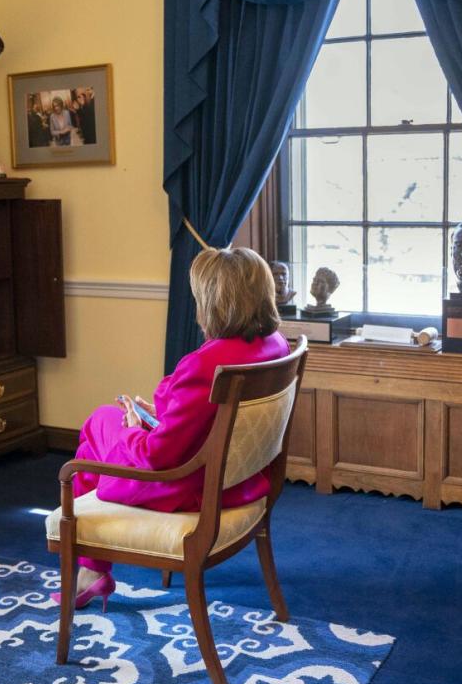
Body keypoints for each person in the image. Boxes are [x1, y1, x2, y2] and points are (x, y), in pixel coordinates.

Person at [57, 247, 289, 608]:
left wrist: (136, 428)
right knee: (106, 424)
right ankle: (91, 566)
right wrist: (162, 413)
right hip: (243, 480)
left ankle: (90, 566)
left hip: (188, 487)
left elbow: (157, 457)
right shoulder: (274, 346)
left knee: (99, 423)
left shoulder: (206, 363)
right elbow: (213, 418)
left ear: (214, 302)